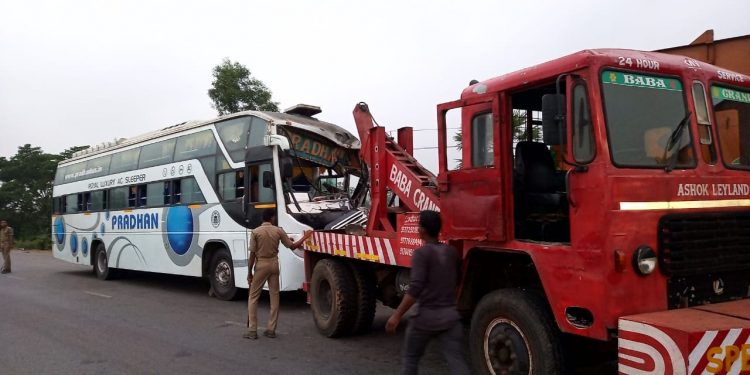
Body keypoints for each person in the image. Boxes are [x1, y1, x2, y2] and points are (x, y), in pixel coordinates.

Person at [386, 210, 470, 375]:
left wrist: (396, 316)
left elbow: (415, 288)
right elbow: (458, 280)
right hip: (451, 319)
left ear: (422, 230)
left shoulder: (421, 254)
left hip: (425, 320)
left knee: (411, 359)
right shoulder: (451, 252)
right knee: (457, 362)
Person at [244, 209, 311, 339]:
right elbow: (292, 246)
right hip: (274, 264)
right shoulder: (278, 231)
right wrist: (305, 237)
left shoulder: (256, 232)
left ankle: (252, 330)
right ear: (272, 218)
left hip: (261, 265)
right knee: (274, 297)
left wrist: (249, 273)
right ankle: (271, 329)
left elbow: (252, 254)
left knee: (253, 297)